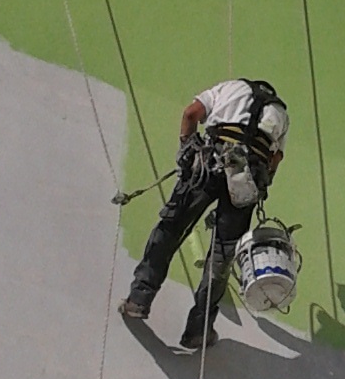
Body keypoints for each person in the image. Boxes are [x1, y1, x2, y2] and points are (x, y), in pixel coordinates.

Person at [121, 79, 288, 349]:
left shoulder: (229, 88)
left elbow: (190, 114)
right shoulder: (280, 113)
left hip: (208, 163)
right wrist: (260, 182)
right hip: (247, 179)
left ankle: (139, 299)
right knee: (221, 258)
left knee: (171, 229)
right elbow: (275, 158)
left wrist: (185, 151)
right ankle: (199, 330)